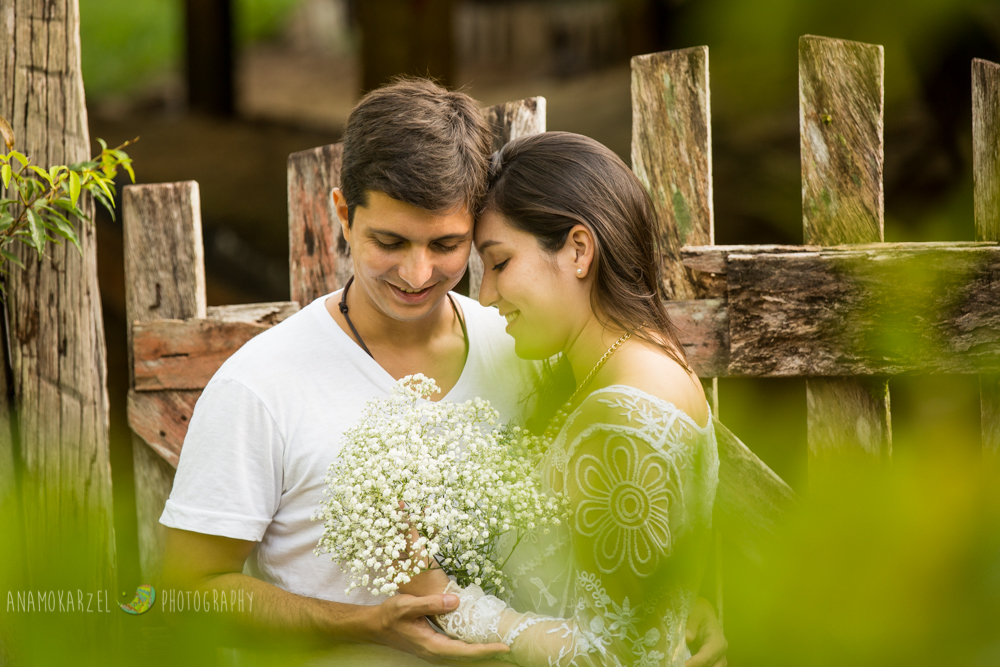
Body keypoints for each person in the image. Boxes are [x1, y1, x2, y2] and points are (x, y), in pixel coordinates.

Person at [159, 78, 726, 666]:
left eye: (447, 245)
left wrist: (667, 606)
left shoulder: (527, 349)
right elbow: (185, 592)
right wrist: (363, 625)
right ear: (343, 215)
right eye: (390, 241)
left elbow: (615, 527)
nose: (417, 273)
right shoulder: (259, 385)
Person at [400, 131, 722, 667]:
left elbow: (620, 657)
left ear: (578, 250)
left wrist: (448, 601)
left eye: (499, 263)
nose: (485, 295)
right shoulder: (623, 369)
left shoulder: (622, 416)